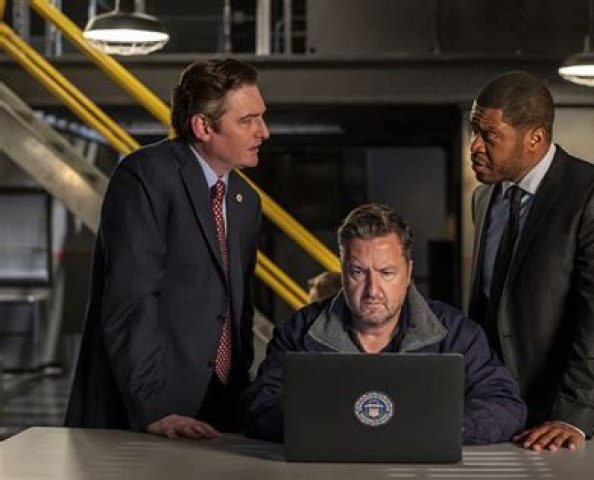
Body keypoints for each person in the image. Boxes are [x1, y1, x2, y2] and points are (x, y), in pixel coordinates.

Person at [65, 59, 270, 439]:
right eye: (248, 120)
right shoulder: (146, 175)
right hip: (149, 410)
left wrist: (240, 399)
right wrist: (153, 408)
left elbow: (237, 308)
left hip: (220, 406)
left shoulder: (245, 199)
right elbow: (131, 299)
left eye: (262, 117)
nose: (264, 131)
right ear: (203, 126)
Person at [242, 203, 526, 445]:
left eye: (386, 272)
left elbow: (504, 404)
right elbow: (261, 405)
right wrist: (336, 426)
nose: (372, 290)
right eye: (358, 272)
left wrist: (440, 428)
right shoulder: (299, 332)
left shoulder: (456, 334)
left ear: (408, 272)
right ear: (342, 271)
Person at [466, 71, 594, 451]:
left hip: (572, 419)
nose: (474, 146)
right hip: (502, 412)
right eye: (473, 131)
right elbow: (485, 310)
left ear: (535, 138)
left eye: (489, 136)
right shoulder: (484, 199)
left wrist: (573, 416)